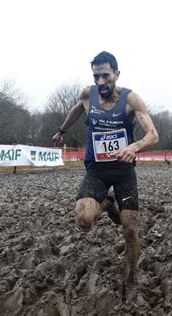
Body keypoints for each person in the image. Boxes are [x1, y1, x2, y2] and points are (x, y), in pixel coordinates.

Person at [52, 51, 159, 286]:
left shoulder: (132, 100)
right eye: (96, 76)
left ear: (116, 74)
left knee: (129, 228)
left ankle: (131, 275)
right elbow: (77, 109)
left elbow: (153, 135)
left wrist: (135, 147)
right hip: (97, 171)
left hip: (123, 173)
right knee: (84, 220)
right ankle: (107, 203)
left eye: (105, 76)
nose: (101, 82)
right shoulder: (87, 94)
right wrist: (62, 131)